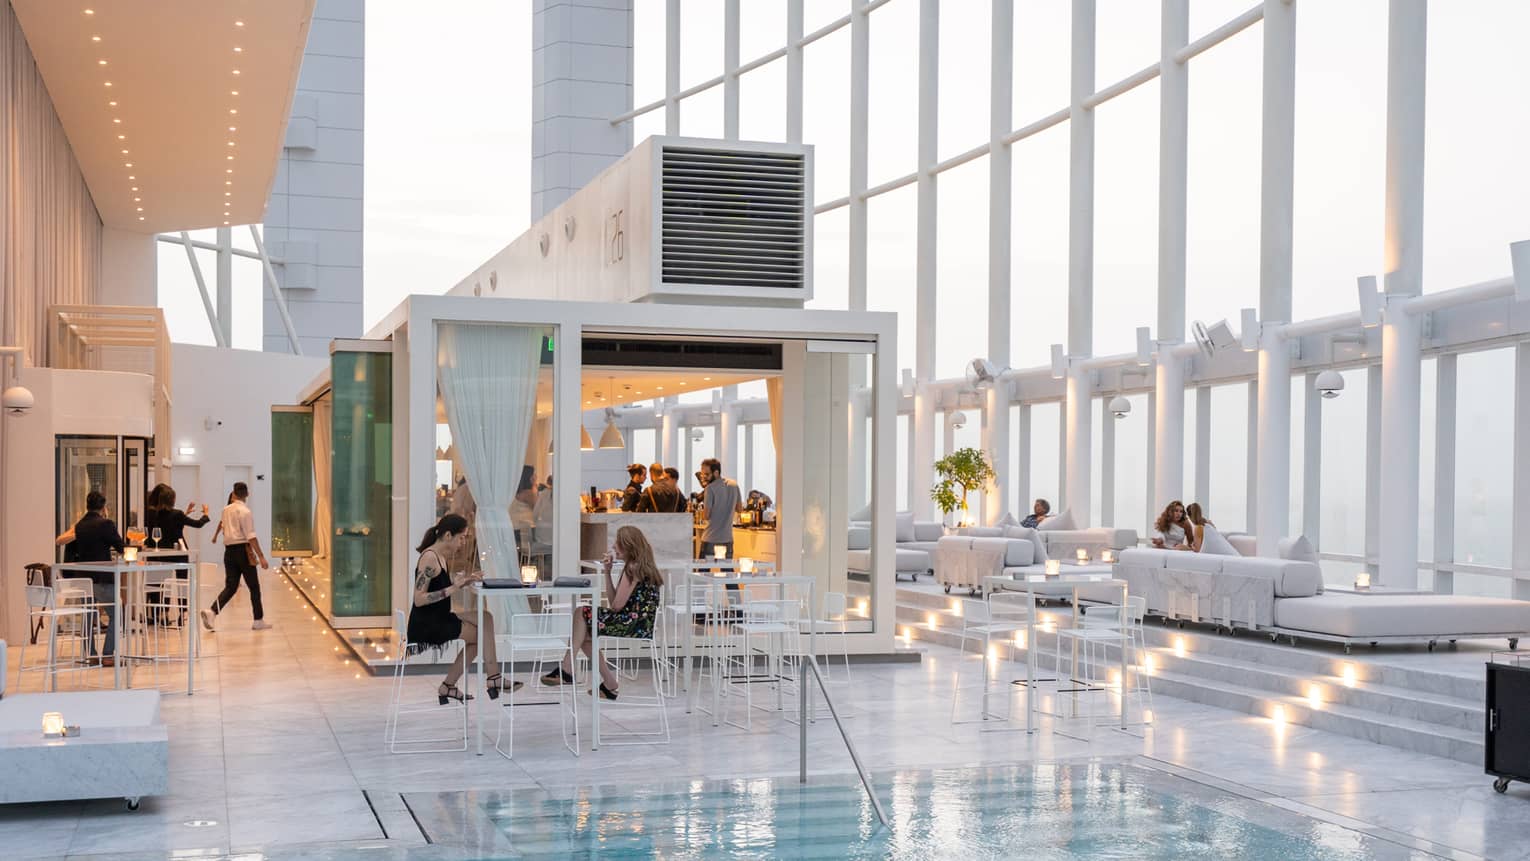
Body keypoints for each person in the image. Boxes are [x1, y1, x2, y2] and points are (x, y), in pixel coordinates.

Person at [541, 525, 664, 700]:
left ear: (629, 546)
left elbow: (616, 606)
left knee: (581, 613)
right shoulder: (642, 567)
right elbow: (616, 602)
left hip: (631, 623)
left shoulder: (633, 568)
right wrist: (607, 572)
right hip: (639, 624)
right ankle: (609, 683)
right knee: (583, 634)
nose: (614, 547)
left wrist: (608, 574)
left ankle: (567, 668)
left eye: (618, 543)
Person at [407, 514, 519, 703]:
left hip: (440, 616)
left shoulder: (440, 557)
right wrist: (454, 587)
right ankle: (489, 679)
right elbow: (418, 600)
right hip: (428, 624)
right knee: (479, 637)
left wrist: (465, 581)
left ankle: (480, 680)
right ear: (448, 535)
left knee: (486, 618)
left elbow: (439, 588)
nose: (464, 542)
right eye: (462, 537)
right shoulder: (429, 558)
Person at [62, 490, 125, 665]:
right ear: (103, 507)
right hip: (101, 578)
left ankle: (90, 654)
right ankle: (107, 655)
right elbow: (121, 547)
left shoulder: (80, 525)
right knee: (117, 613)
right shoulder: (106, 524)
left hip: (83, 579)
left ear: (87, 506)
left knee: (88, 616)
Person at [200, 482, 270, 632]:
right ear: (247, 494)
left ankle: (212, 611)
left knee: (231, 586)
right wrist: (262, 557)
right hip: (243, 551)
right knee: (254, 587)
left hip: (229, 551)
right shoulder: (245, 511)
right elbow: (251, 536)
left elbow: (223, 527)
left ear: (233, 493)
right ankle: (258, 620)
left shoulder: (225, 510)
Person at [149, 484, 210, 566]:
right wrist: (206, 514)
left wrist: (185, 514)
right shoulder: (177, 514)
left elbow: (170, 522)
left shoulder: (153, 514)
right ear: (171, 500)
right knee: (182, 578)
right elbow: (198, 524)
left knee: (161, 577)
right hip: (178, 551)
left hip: (160, 552)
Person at [698, 458, 743, 561]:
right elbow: (739, 509)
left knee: (702, 572)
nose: (704, 477)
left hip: (710, 538)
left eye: (707, 474)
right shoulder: (734, 485)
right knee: (728, 572)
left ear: (716, 472)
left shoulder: (710, 489)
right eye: (702, 474)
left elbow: (706, 516)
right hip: (727, 539)